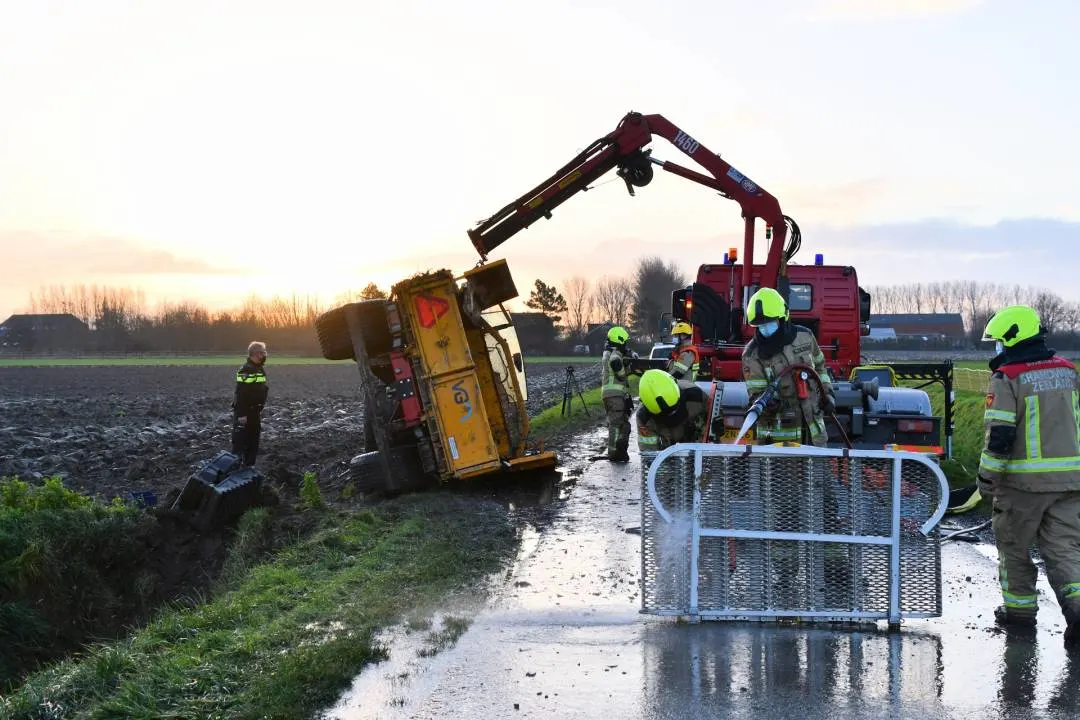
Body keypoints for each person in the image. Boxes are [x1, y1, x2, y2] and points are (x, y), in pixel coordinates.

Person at [978, 304, 1080, 648]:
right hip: (1071, 481)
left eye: (998, 341)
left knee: (1014, 549)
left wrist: (987, 479)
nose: (997, 348)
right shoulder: (1069, 370)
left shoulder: (1008, 376)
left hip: (1023, 485)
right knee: (1065, 550)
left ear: (1012, 338)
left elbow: (1000, 436)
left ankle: (1019, 617)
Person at [741, 287, 834, 447]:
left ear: (783, 318)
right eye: (760, 326)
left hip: (815, 436)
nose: (765, 329)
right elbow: (756, 393)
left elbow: (820, 367)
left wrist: (827, 394)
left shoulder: (805, 337)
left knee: (817, 473)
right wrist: (770, 404)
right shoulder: (752, 354)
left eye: (770, 323)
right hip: (778, 443)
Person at [635, 369, 709, 452]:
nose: (673, 418)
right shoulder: (644, 417)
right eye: (665, 415)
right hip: (668, 450)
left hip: (697, 444)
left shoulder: (695, 396)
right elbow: (648, 453)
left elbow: (713, 423)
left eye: (674, 410)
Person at [232, 341, 269, 466]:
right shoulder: (246, 370)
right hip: (245, 413)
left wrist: (260, 407)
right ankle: (235, 471)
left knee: (253, 443)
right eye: (263, 353)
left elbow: (260, 390)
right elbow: (241, 394)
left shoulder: (258, 368)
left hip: (254, 412)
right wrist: (242, 414)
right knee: (241, 443)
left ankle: (249, 469)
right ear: (256, 354)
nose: (264, 355)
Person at [601, 326, 633, 462]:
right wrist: (623, 372)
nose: (626, 344)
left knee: (621, 423)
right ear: (619, 341)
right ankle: (614, 453)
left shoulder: (608, 352)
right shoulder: (615, 354)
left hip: (611, 395)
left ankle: (617, 451)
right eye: (625, 342)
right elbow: (617, 366)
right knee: (617, 424)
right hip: (615, 395)